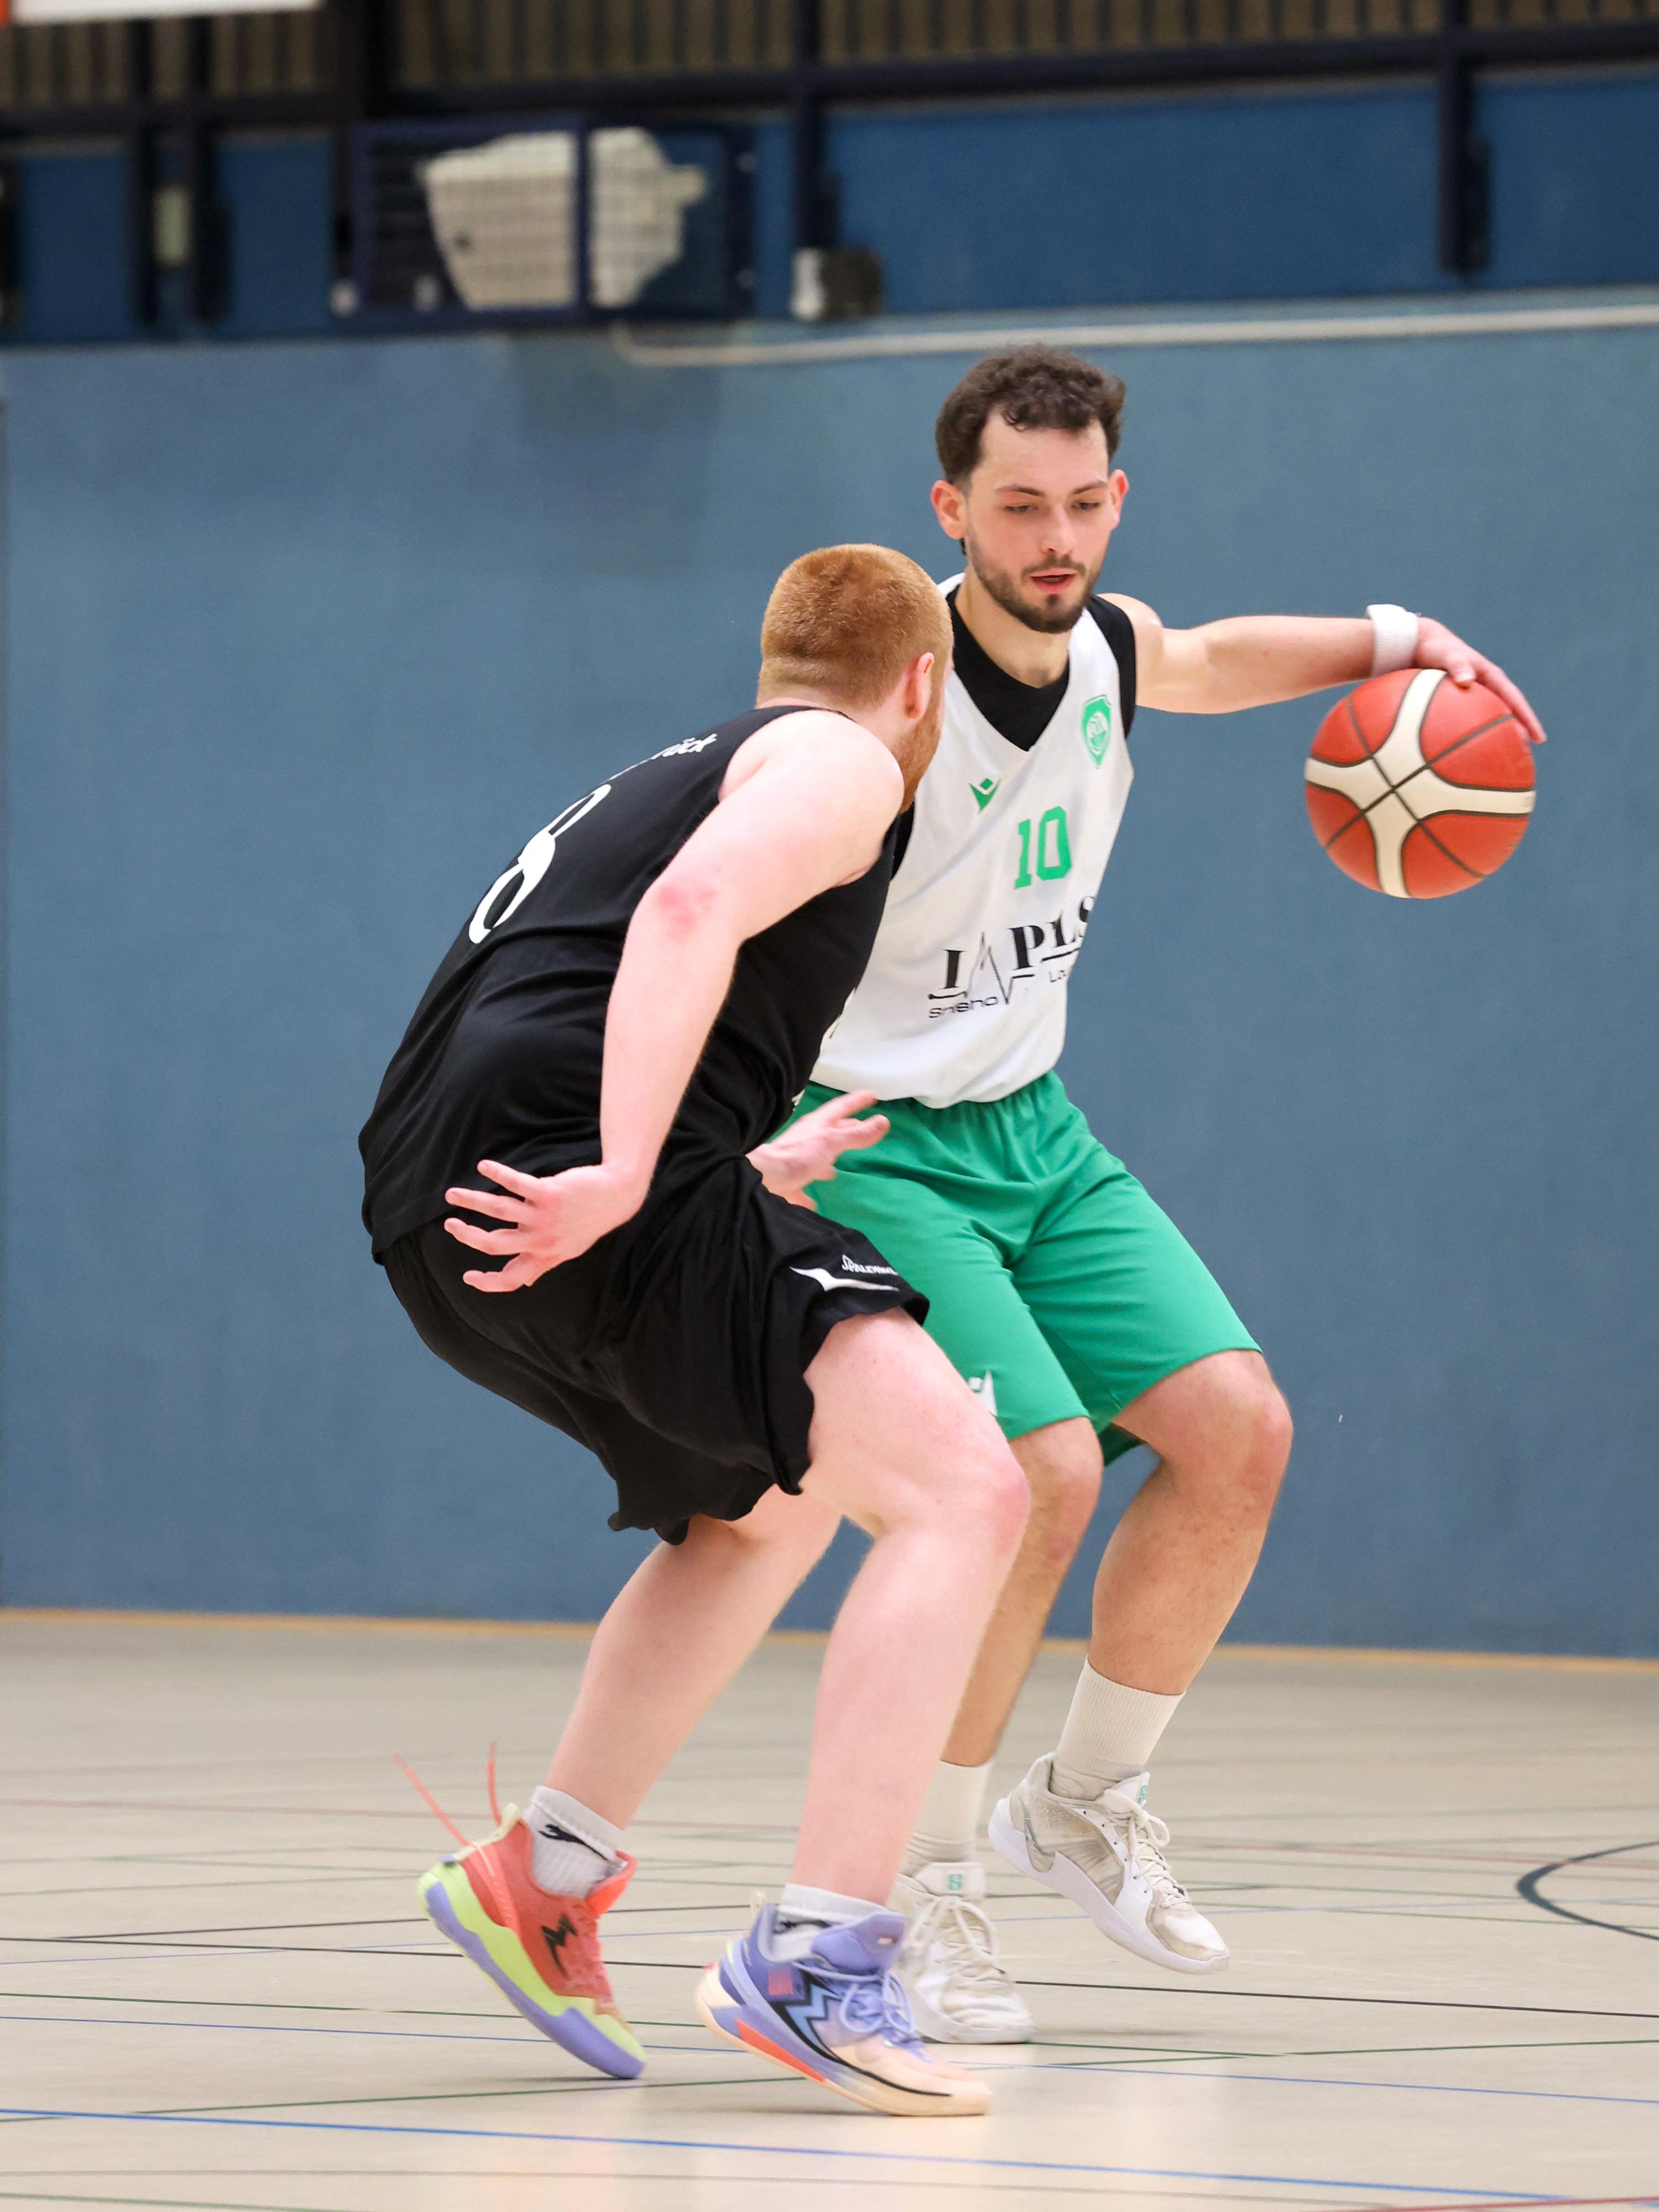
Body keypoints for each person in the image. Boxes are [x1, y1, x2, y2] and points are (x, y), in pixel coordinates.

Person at [780, 349, 1546, 2042]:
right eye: (1019, 507)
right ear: (950, 512)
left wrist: (1399, 641)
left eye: (1082, 504)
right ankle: (922, 1887)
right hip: (872, 1140)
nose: (1054, 538)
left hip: (1034, 1132)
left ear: (1116, 498)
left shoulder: (1112, 649)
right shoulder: (891, 701)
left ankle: (1083, 1801)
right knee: (1036, 1481)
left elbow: (1205, 657)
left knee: (1239, 1433)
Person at [358, 542, 1030, 2118]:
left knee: (766, 1507)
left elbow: (584, 966)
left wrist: (721, 1163)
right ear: (920, 683)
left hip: (438, 1207)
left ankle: (545, 1875)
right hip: (565, 1174)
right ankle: (825, 1960)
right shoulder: (845, 760)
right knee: (966, 1491)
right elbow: (689, 915)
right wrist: (626, 1168)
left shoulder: (679, 767)